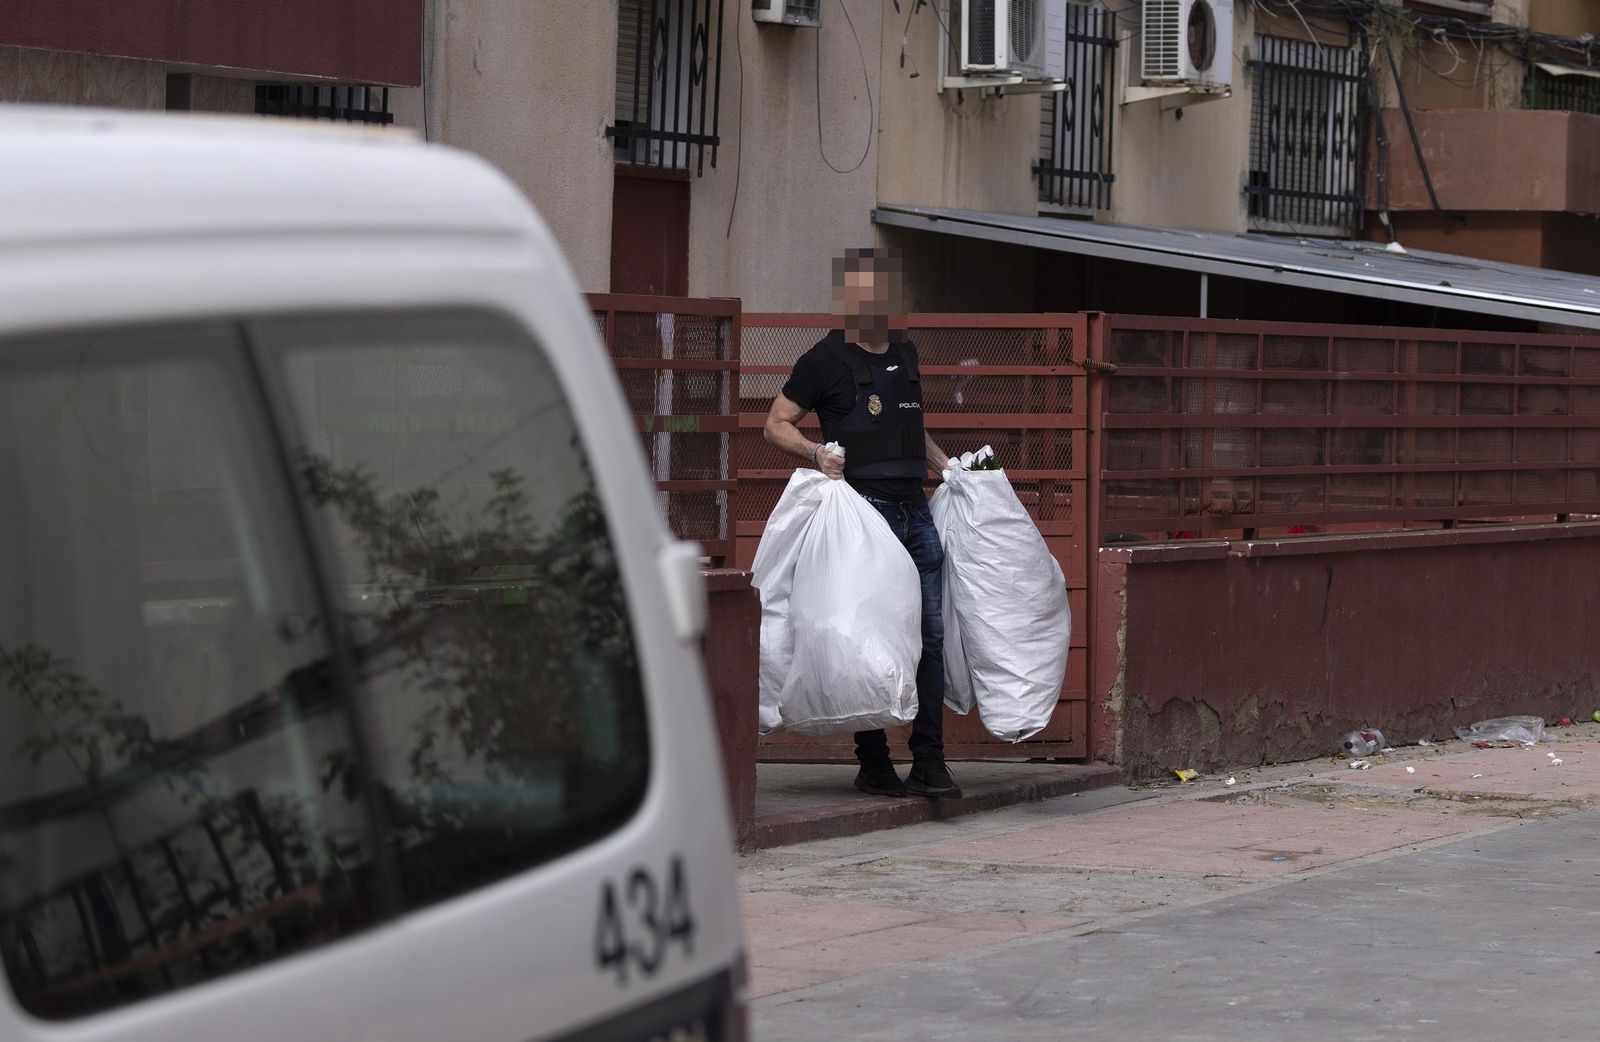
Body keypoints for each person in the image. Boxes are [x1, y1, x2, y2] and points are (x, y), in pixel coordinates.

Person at [761, 247, 962, 799]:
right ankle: (873, 761)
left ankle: (929, 761)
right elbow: (774, 424)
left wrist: (949, 468)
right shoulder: (822, 360)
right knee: (865, 638)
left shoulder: (906, 352)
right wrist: (815, 453)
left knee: (930, 636)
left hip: (913, 510)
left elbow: (909, 430)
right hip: (860, 516)